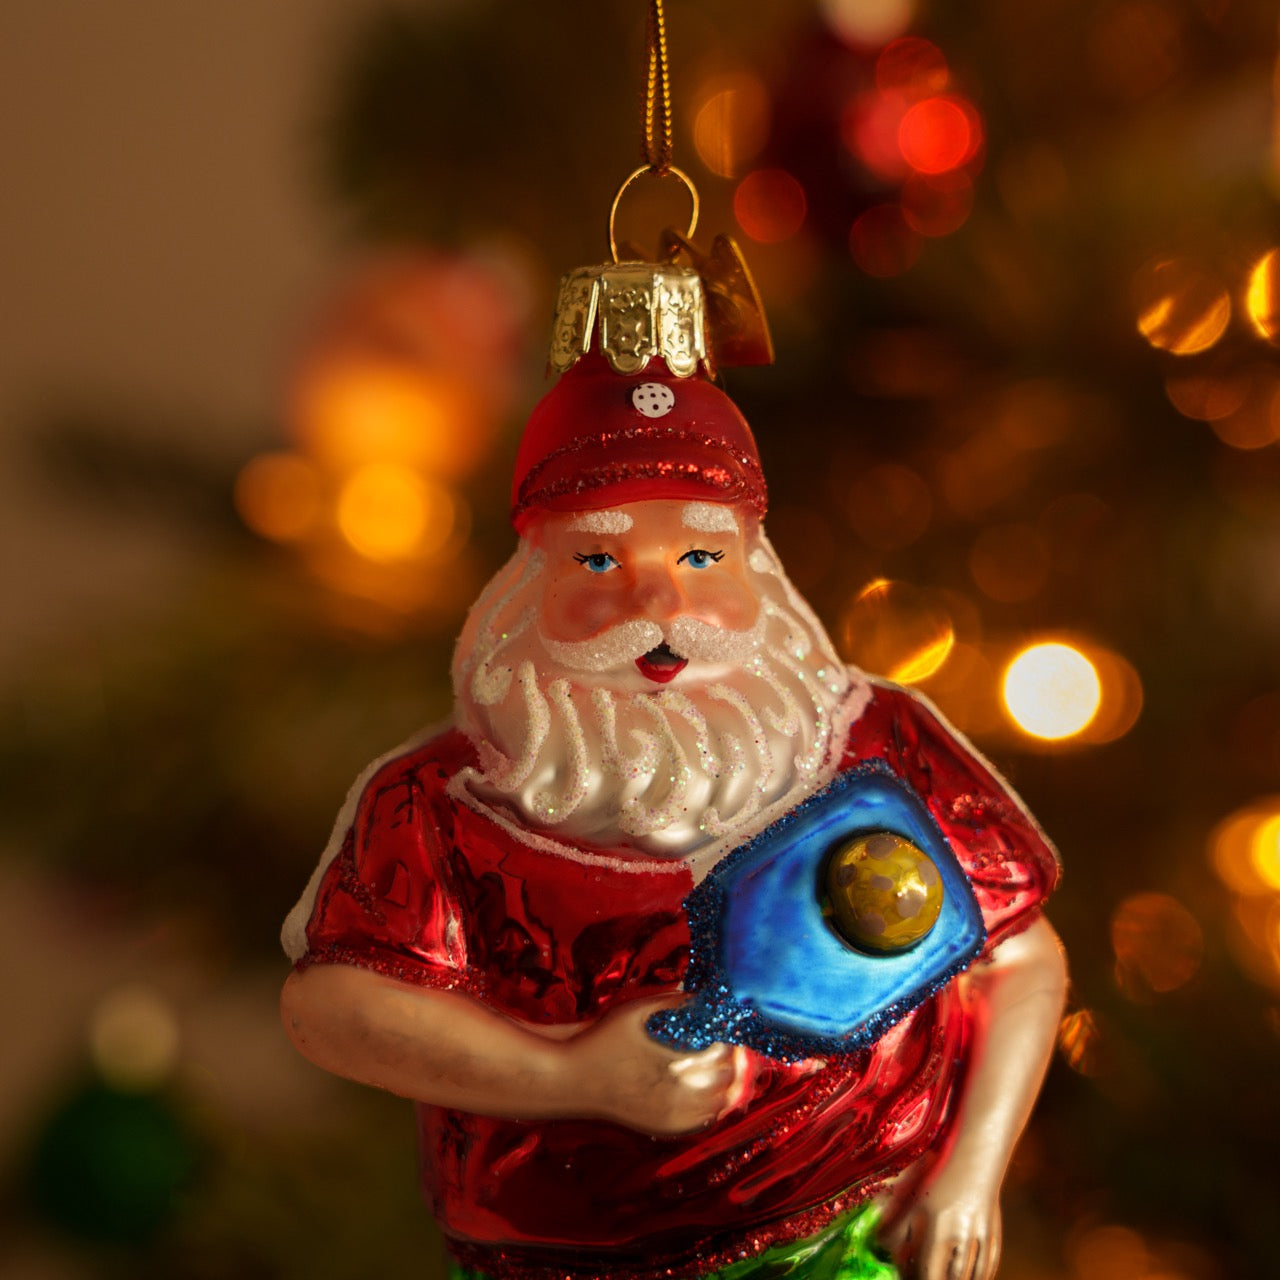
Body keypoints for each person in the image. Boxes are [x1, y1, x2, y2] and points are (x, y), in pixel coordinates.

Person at [280, 283, 1067, 1280]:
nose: (656, 602)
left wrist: (969, 1173)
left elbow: (1017, 959)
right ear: (527, 582)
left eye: (701, 553)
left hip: (844, 1233)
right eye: (599, 556)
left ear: (757, 567)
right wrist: (568, 1072)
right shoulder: (436, 804)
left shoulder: (877, 743)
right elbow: (335, 1005)